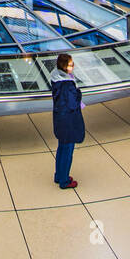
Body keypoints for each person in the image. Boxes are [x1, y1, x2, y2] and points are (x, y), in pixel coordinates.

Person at [50, 52, 84, 189]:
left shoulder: (55, 77)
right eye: (70, 64)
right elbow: (73, 103)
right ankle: (64, 181)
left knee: (61, 148)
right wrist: (79, 93)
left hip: (60, 118)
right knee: (68, 150)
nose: (73, 66)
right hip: (69, 120)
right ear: (64, 66)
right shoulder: (68, 84)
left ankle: (59, 175)